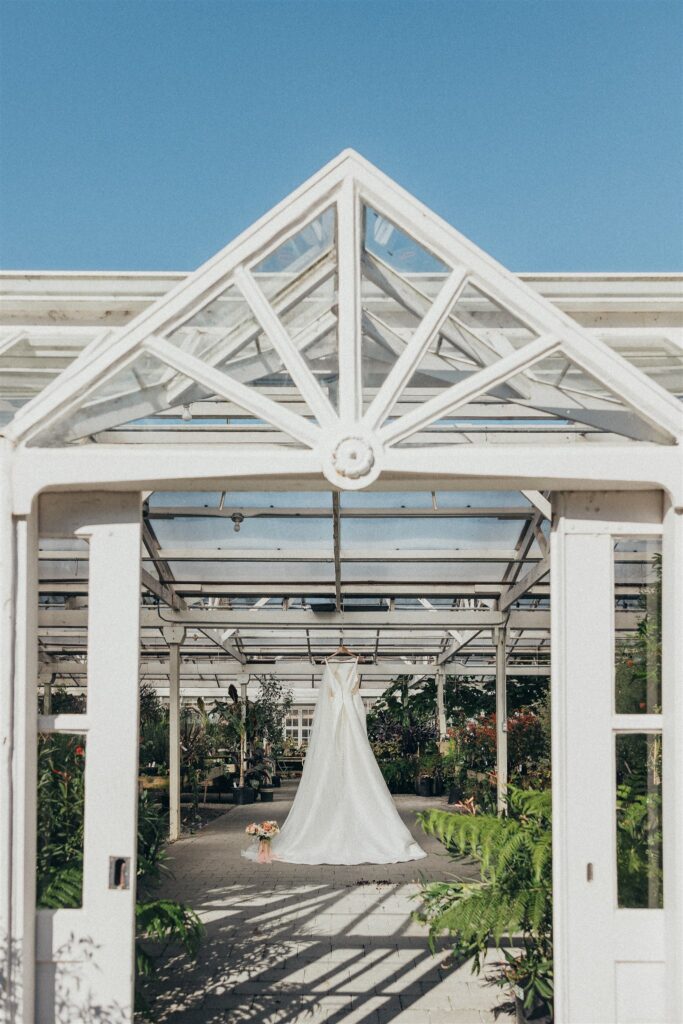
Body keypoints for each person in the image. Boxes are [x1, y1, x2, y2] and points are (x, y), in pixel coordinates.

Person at [243, 657, 426, 865]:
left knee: (355, 766)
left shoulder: (345, 666)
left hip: (350, 724)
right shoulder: (333, 667)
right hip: (340, 721)